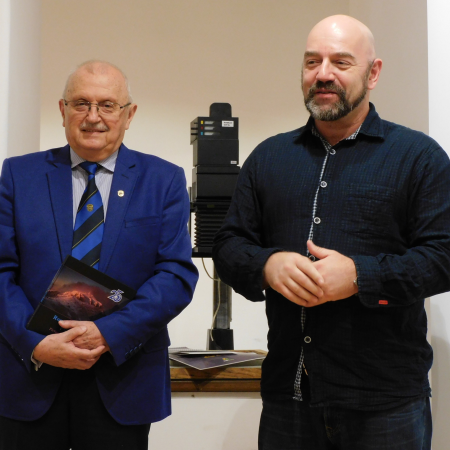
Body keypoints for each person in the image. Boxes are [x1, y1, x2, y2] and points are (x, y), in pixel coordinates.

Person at [213, 15, 450, 450]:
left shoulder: (419, 157)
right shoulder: (268, 157)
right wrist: (267, 264)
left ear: (373, 73)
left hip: (386, 405)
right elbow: (228, 245)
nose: (323, 74)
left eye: (341, 62)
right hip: (288, 398)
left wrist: (360, 276)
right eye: (312, 62)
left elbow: (444, 257)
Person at [0, 61, 198, 450]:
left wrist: (109, 333)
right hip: (30, 376)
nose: (93, 117)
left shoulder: (163, 180)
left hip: (122, 379)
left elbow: (174, 275)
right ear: (62, 110)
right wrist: (34, 342)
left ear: (129, 115)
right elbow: (2, 270)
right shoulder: (19, 176)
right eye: (81, 103)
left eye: (107, 105)